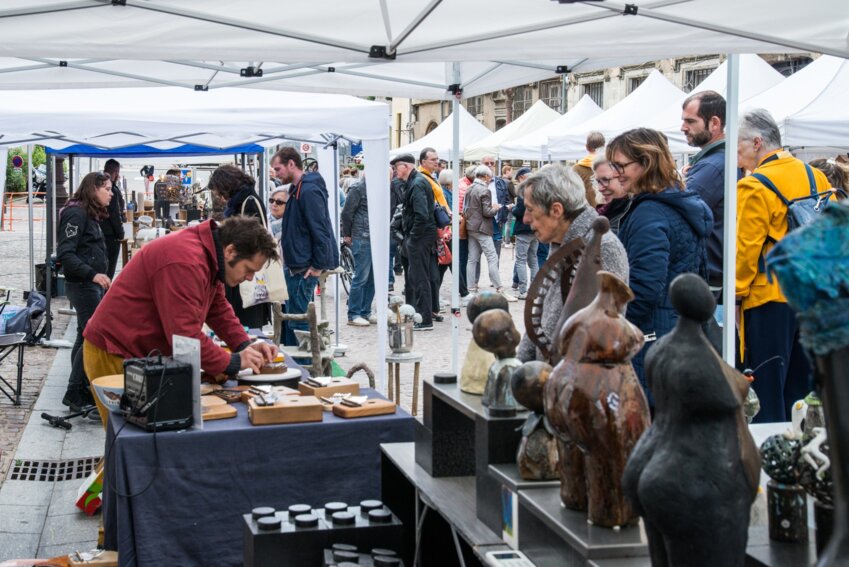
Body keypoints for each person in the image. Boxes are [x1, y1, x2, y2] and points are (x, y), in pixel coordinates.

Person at [82, 216, 279, 425]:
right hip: (114, 350)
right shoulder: (186, 261)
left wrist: (245, 345)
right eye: (248, 269)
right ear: (230, 251)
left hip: (140, 353)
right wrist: (233, 362)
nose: (249, 278)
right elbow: (185, 338)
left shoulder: (210, 255)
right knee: (131, 443)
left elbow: (218, 308)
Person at [736, 109, 831, 423]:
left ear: (757, 143)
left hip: (769, 297)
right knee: (801, 390)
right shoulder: (814, 175)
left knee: (766, 391)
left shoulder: (753, 186)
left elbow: (745, 250)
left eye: (739, 147)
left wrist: (734, 295)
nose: (737, 155)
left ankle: (770, 459)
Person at [607, 128, 712, 407]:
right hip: (678, 332)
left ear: (646, 163)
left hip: (652, 338)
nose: (616, 173)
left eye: (621, 166)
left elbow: (643, 288)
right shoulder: (679, 203)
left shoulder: (650, 212)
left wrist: (619, 330)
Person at [516, 164, 629, 362]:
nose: (525, 219)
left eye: (530, 210)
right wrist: (521, 368)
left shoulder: (602, 248)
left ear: (556, 210)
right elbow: (538, 319)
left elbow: (600, 336)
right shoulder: (561, 241)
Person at [272, 147, 339, 345]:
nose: (276, 174)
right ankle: (296, 367)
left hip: (304, 266)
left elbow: (320, 230)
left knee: (299, 322)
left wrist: (317, 266)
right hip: (297, 264)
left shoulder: (308, 190)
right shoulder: (298, 188)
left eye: (278, 169)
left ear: (291, 164)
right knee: (294, 319)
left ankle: (301, 370)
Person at [58, 172, 113, 411]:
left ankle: (79, 389)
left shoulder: (89, 214)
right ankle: (75, 391)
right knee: (91, 337)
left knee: (84, 336)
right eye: (107, 189)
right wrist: (92, 274)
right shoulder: (75, 213)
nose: (111, 193)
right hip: (83, 285)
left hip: (90, 284)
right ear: (94, 189)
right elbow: (66, 254)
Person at [208, 164, 269, 330]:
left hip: (245, 269)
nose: (220, 198)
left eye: (220, 193)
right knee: (237, 320)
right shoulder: (239, 202)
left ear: (227, 186)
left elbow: (258, 239)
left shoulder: (249, 201)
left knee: (247, 324)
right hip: (238, 269)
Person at [681, 90, 730, 298]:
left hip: (709, 282)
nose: (683, 128)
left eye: (690, 121)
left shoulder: (713, 166)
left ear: (715, 123)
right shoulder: (715, 162)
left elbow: (681, 211)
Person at [392, 153, 438, 331]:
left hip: (420, 236)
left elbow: (421, 215)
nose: (396, 171)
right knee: (416, 277)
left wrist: (412, 238)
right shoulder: (415, 181)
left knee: (420, 278)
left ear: (405, 166)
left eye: (397, 167)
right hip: (419, 235)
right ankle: (420, 315)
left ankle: (425, 319)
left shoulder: (417, 183)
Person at [464, 165, 516, 302]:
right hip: (482, 228)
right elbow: (487, 212)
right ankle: (499, 288)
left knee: (472, 259)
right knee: (492, 258)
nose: (490, 178)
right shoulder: (484, 190)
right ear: (486, 176)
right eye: (489, 176)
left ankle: (471, 289)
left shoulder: (469, 188)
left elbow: (467, 208)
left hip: (471, 227)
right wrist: (496, 208)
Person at [341, 177, 375, 326]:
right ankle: (354, 313)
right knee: (361, 276)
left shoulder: (378, 188)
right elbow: (347, 212)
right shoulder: (358, 188)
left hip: (375, 237)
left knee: (373, 278)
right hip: (362, 236)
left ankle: (365, 311)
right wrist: (347, 234)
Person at [510, 167, 538, 300]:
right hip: (535, 229)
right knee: (533, 260)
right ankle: (534, 289)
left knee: (521, 260)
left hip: (523, 229)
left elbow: (519, 211)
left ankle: (523, 290)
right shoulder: (538, 190)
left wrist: (512, 208)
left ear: (522, 178)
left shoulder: (524, 191)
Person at [592, 153, 631, 235]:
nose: (600, 188)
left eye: (605, 180)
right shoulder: (605, 211)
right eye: (598, 181)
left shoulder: (631, 214)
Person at [99, 159, 125, 280]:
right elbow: (115, 214)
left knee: (104, 267)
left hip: (103, 232)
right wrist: (120, 234)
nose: (110, 194)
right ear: (115, 172)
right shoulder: (112, 189)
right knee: (108, 269)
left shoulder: (102, 185)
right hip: (110, 235)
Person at [572, 131, 605, 208]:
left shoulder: (577, 169)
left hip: (587, 212)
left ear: (586, 147)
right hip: (610, 211)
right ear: (604, 146)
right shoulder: (612, 165)